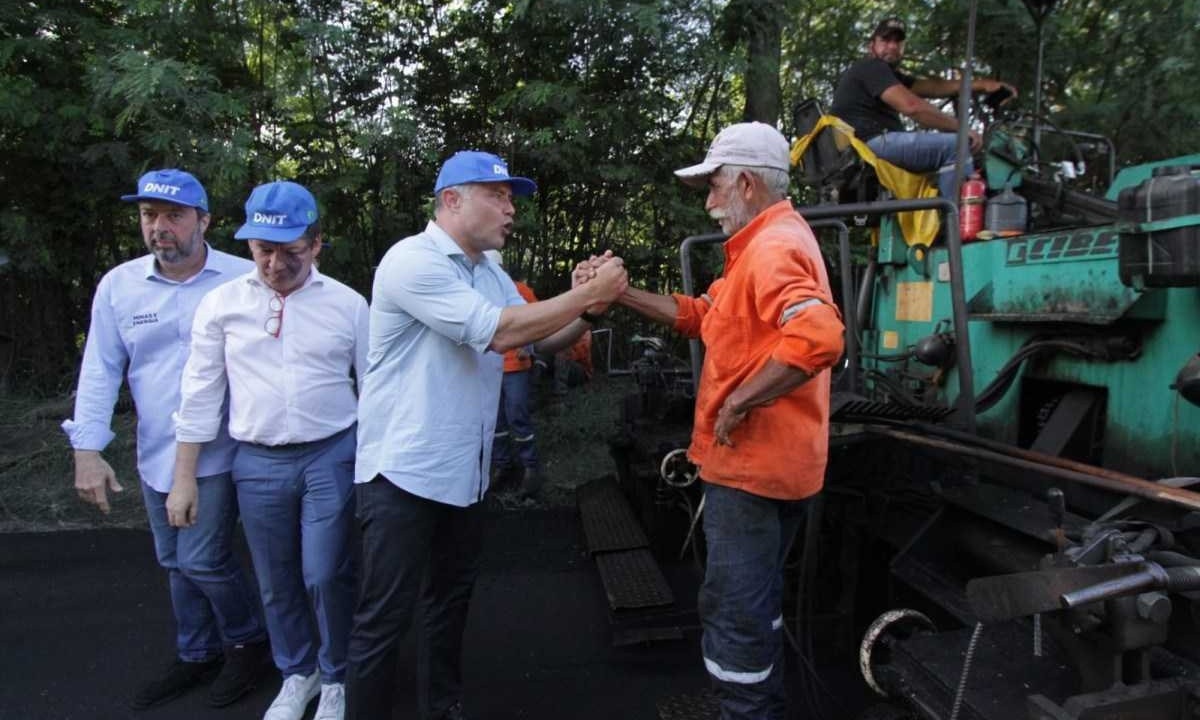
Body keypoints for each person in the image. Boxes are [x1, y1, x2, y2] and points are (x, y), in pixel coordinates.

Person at [346, 150, 628, 720]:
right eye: (497, 196)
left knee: (449, 605)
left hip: (464, 472)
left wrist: (588, 309)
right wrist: (584, 296)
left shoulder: (488, 271)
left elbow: (540, 339)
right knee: (382, 620)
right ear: (452, 201)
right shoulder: (411, 260)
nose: (510, 209)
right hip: (402, 474)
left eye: (511, 198)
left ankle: (441, 708)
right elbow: (500, 333)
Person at [577, 122, 845, 719]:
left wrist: (740, 399)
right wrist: (620, 294)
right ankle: (760, 700)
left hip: (752, 471)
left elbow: (820, 336)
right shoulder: (766, 244)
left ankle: (743, 709)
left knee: (733, 611)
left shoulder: (773, 250)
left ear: (747, 183)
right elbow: (702, 315)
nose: (709, 201)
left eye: (715, 186)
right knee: (755, 602)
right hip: (779, 466)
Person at [61, 169, 269, 710]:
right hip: (155, 449)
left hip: (223, 450)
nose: (160, 227)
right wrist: (87, 448)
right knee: (174, 560)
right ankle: (197, 652)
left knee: (201, 559)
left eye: (174, 215)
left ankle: (248, 643)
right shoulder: (120, 286)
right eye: (149, 216)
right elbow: (101, 369)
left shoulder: (245, 278)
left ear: (204, 220)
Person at [172, 181, 368, 720]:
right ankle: (296, 672)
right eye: (264, 250)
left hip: (332, 450)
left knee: (325, 572)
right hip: (255, 458)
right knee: (276, 577)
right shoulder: (223, 304)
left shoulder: (348, 305)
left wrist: (374, 469)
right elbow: (200, 391)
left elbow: (375, 386)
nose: (276, 265)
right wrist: (184, 476)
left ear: (317, 244)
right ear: (250, 243)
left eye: (291, 251)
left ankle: (336, 676)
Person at [830, 16, 1017, 198]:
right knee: (956, 146)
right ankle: (957, 221)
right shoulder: (872, 67)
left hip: (870, 147)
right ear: (872, 46)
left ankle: (943, 216)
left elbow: (935, 87)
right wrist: (962, 128)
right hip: (869, 145)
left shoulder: (891, 77)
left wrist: (982, 85)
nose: (893, 46)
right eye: (886, 40)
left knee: (958, 158)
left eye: (898, 41)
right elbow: (912, 107)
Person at [481, 249, 543, 497]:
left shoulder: (519, 290)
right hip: (489, 367)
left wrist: (528, 347)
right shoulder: (476, 291)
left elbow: (538, 320)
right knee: (495, 420)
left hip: (516, 366)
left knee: (517, 413)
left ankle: (530, 468)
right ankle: (503, 465)